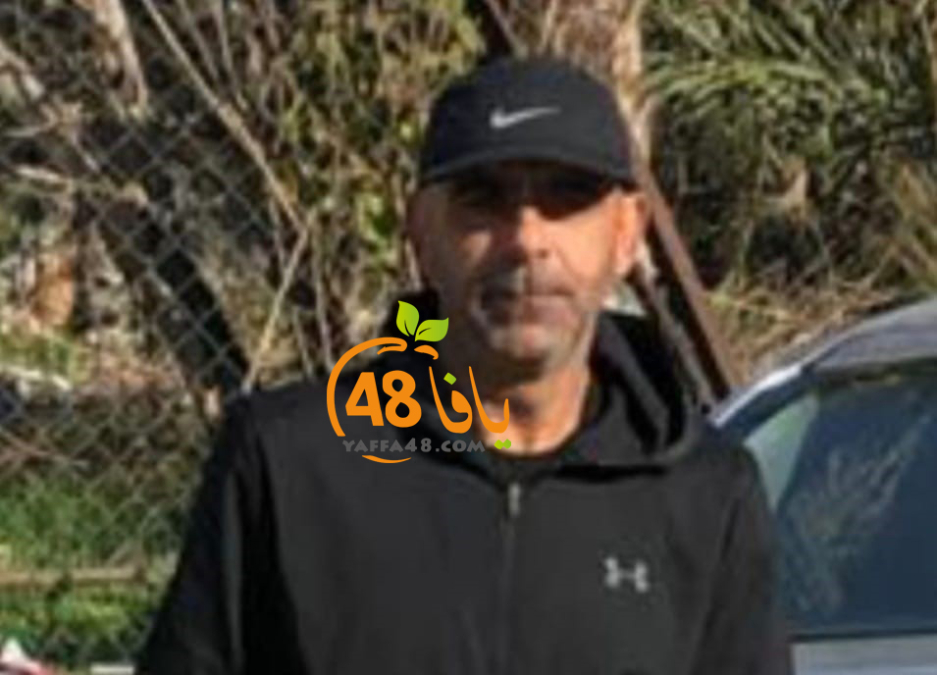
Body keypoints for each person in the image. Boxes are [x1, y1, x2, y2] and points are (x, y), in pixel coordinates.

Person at [135, 56, 792, 675]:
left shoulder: (707, 493)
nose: (527, 239)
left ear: (626, 233)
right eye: (484, 199)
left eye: (567, 198)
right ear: (422, 232)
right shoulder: (289, 463)